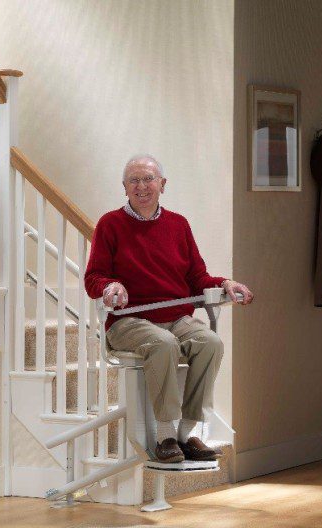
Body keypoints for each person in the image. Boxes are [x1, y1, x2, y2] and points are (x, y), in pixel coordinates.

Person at [84, 155, 254, 463]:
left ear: (163, 185)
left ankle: (186, 433)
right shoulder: (110, 224)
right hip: (128, 320)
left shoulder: (178, 225)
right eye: (134, 180)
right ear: (124, 188)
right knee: (164, 344)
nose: (142, 187)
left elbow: (197, 279)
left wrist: (225, 283)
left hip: (175, 316)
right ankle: (165, 436)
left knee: (210, 342)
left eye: (148, 179)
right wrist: (110, 288)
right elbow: (94, 277)